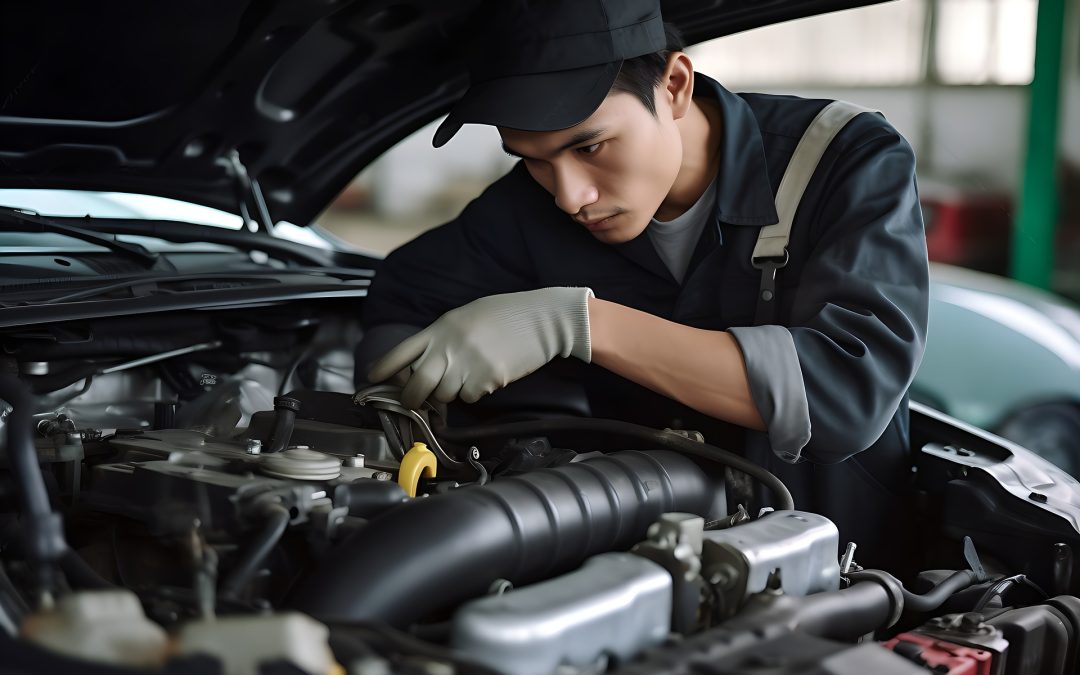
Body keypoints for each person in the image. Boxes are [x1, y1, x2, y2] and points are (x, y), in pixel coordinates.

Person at [358, 0, 928, 566]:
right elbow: (407, 295)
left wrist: (576, 323)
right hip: (636, 562)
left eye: (590, 146)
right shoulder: (527, 205)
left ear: (675, 85)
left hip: (839, 571)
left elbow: (845, 393)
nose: (569, 196)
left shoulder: (839, 160)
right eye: (533, 159)